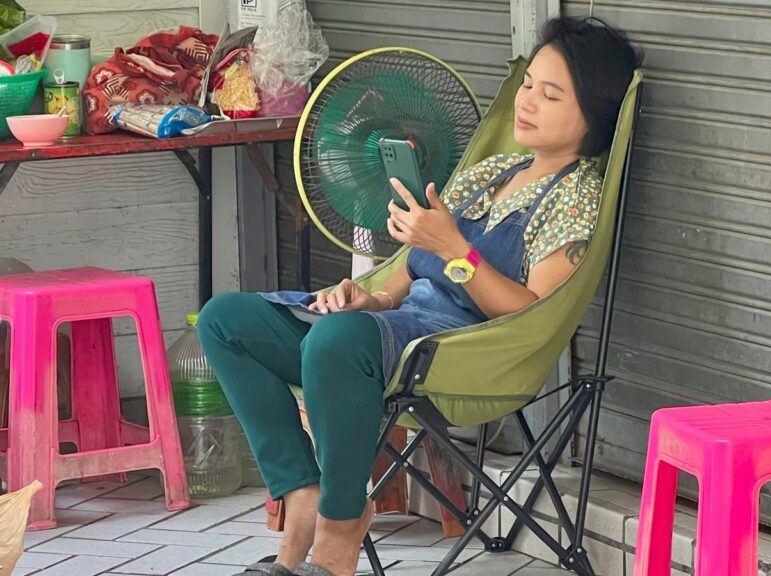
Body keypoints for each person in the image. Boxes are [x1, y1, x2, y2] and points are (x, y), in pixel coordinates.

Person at [197, 15, 642, 576]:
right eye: (528, 84)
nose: (527, 102)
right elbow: (404, 279)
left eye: (550, 95)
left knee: (336, 344)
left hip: (469, 350)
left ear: (593, 118)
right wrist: (366, 300)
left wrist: (456, 250)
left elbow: (532, 314)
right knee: (225, 319)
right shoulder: (493, 170)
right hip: (395, 331)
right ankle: (301, 490)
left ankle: (339, 531)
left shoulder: (575, 196)